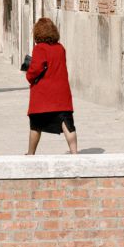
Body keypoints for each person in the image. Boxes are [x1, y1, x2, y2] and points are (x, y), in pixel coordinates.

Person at [23, 17, 78, 155]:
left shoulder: (39, 49)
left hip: (43, 95)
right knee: (67, 124)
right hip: (61, 94)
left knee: (36, 125)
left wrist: (28, 75)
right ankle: (75, 153)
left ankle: (30, 154)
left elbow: (36, 69)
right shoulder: (60, 48)